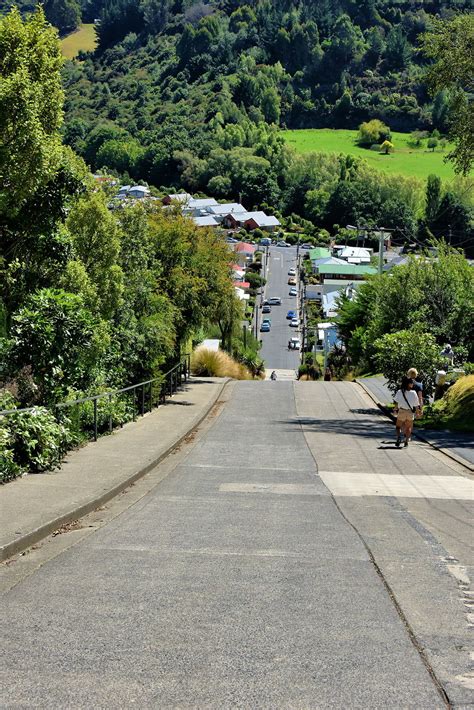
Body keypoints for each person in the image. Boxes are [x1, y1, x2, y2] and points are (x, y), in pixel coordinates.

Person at [393, 376, 421, 447]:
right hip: (410, 412)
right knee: (409, 427)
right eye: (411, 383)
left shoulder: (399, 391)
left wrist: (395, 410)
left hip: (402, 411)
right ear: (408, 384)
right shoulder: (414, 393)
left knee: (398, 427)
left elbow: (396, 402)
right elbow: (416, 405)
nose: (412, 384)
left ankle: (399, 437)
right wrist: (417, 413)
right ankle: (406, 439)